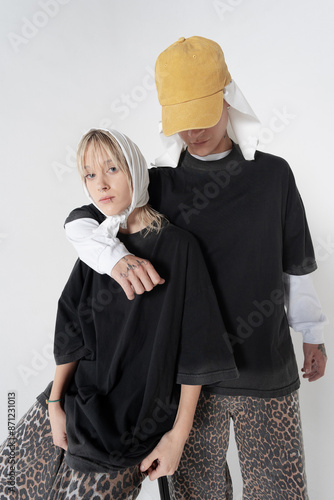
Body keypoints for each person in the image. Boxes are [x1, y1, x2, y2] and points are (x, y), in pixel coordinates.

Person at [63, 38, 328, 499]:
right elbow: (84, 219)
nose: (193, 133)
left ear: (227, 100)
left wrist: (313, 333)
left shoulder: (273, 176)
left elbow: (296, 261)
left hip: (265, 369)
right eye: (181, 123)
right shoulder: (158, 185)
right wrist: (116, 257)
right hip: (185, 384)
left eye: (202, 117)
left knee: (282, 492)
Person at [0, 128, 237, 500]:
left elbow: (198, 349)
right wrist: (54, 404)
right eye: (90, 175)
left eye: (111, 169)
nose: (100, 184)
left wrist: (178, 435)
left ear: (135, 169)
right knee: (8, 483)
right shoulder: (99, 248)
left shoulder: (179, 248)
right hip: (71, 403)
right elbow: (71, 330)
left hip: (123, 427)